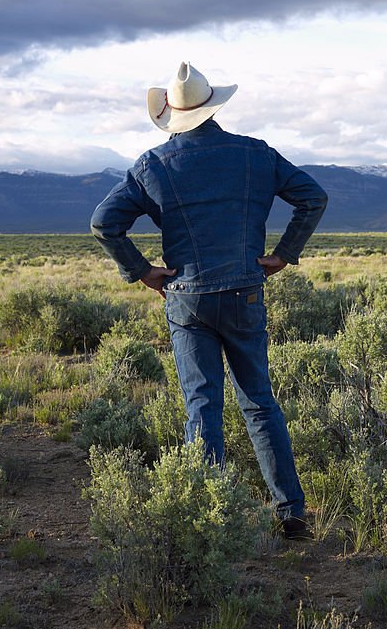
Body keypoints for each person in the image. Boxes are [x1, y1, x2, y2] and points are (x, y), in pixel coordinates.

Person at [89, 61, 327, 539]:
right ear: (214, 106)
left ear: (172, 115)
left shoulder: (153, 165)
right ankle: (291, 514)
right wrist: (283, 255)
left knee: (202, 406)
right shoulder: (255, 155)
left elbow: (103, 222)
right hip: (244, 291)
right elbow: (312, 197)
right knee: (259, 402)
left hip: (187, 299)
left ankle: (210, 519)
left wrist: (143, 272)